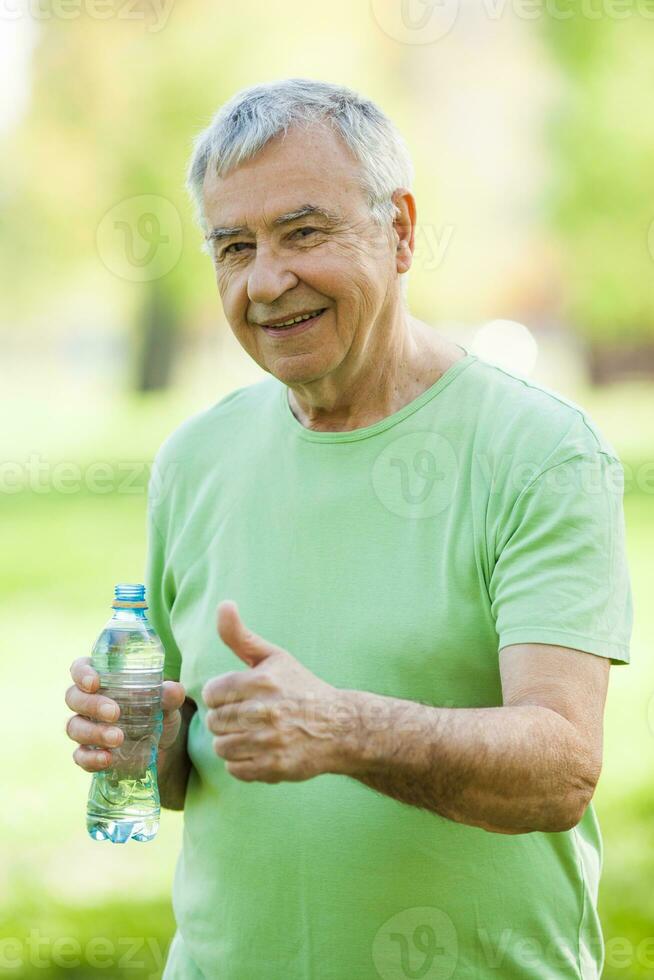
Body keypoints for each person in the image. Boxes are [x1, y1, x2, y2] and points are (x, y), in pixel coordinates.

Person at [65, 78, 632, 979]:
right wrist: (143, 737)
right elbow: (184, 771)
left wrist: (341, 728)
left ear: (401, 230)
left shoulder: (540, 451)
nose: (266, 281)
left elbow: (559, 769)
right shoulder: (195, 457)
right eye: (234, 246)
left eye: (304, 232)